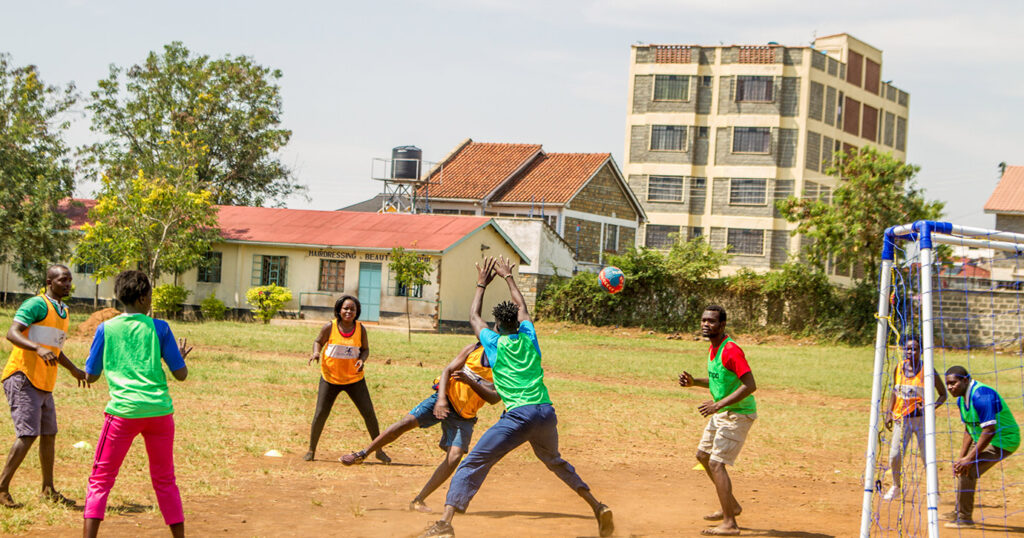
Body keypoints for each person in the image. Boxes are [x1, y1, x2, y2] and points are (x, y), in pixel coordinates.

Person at [419, 256, 613, 538]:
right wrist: (509, 277)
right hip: (545, 413)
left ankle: (445, 524)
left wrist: (481, 284)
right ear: (518, 323)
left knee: (472, 464)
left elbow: (474, 316)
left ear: (496, 325)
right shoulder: (529, 336)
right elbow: (522, 306)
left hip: (519, 416)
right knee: (555, 461)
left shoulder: (494, 343)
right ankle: (597, 507)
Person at [82, 270, 191, 537]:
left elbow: (92, 376)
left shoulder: (106, 328)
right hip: (159, 412)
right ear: (143, 298)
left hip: (123, 412)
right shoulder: (160, 327)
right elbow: (181, 374)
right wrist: (179, 357)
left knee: (100, 480)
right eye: (151, 295)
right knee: (165, 481)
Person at [341, 340, 500, 513]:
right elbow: (447, 370)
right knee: (405, 423)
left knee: (454, 457)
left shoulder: (506, 363)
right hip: (445, 398)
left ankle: (418, 500)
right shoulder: (476, 347)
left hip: (464, 416)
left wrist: (470, 381)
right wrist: (440, 400)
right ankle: (363, 454)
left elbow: (494, 398)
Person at [1, 264, 88, 509]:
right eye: (62, 280)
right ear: (49, 281)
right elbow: (12, 332)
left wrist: (73, 369)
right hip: (23, 376)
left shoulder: (64, 311)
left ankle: (48, 490)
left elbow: (54, 349)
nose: (68, 284)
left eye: (69, 280)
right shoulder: (36, 304)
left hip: (44, 382)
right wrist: (36, 348)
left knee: (48, 435)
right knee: (28, 434)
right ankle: (1, 487)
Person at [678, 305, 757, 536]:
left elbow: (750, 385)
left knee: (716, 463)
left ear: (722, 325)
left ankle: (730, 523)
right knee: (703, 456)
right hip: (723, 412)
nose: (705, 324)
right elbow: (719, 382)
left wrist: (717, 405)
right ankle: (731, 506)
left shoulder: (731, 350)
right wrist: (695, 382)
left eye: (711, 321)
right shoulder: (714, 349)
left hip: (737, 414)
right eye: (703, 320)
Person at [304, 295, 389, 463]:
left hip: (354, 379)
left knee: (369, 414)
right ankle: (311, 450)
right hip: (330, 379)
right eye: (345, 308)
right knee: (320, 413)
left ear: (357, 312)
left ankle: (379, 450)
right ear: (339, 310)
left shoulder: (360, 328)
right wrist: (316, 352)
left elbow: (365, 349)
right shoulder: (330, 326)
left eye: (352, 309)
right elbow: (318, 341)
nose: (349, 311)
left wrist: (361, 360)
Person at [943, 365, 1020, 529]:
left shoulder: (981, 396)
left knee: (968, 470)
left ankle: (964, 518)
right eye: (948, 384)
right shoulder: (961, 399)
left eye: (953, 383)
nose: (950, 388)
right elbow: (969, 429)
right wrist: (961, 458)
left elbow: (990, 430)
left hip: (1003, 441)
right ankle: (959, 512)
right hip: (985, 439)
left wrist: (968, 459)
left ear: (965, 380)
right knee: (963, 467)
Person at [882, 336, 947, 501]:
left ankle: (934, 492)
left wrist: (931, 406)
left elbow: (943, 394)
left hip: (922, 421)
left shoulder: (928, 370)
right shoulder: (899, 367)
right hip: (901, 420)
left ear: (922, 351)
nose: (911, 352)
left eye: (915, 348)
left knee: (927, 457)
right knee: (895, 456)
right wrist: (889, 412)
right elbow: (894, 391)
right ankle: (896, 486)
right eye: (908, 348)